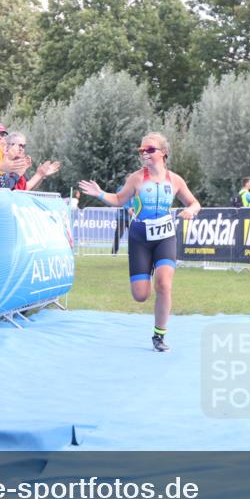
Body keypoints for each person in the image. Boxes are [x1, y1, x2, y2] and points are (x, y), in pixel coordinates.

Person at [79, 132, 201, 352]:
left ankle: (159, 336)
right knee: (140, 295)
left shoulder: (174, 180)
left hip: (165, 237)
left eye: (150, 150)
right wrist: (100, 194)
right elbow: (118, 200)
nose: (144, 153)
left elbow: (194, 203)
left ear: (163, 153)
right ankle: (147, 278)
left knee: (164, 284)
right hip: (140, 238)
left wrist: (190, 211)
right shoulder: (136, 178)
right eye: (142, 150)